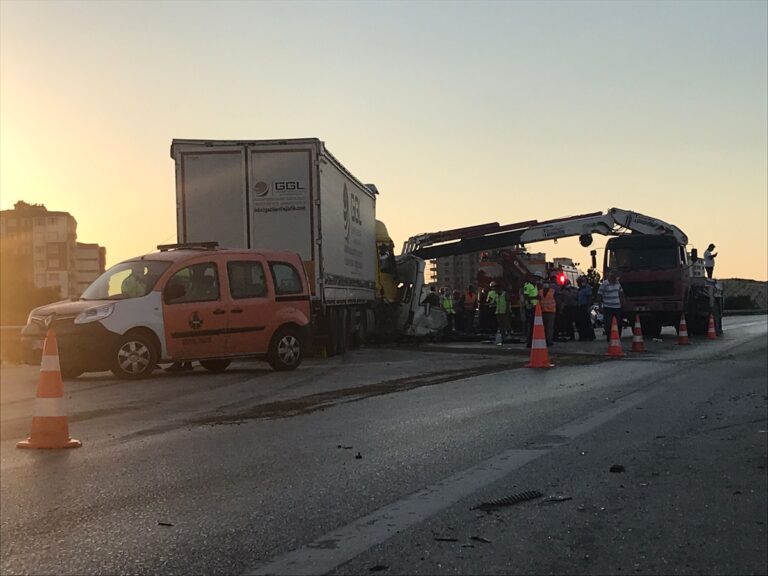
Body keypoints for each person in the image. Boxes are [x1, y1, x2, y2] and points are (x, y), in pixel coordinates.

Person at [597, 270, 625, 341]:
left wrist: (622, 302)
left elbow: (621, 293)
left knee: (618, 323)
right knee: (608, 324)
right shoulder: (605, 284)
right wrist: (600, 306)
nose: (615, 278)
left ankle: (618, 337)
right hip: (608, 307)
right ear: (610, 276)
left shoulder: (618, 283)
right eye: (613, 276)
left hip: (617, 307)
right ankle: (609, 337)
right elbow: (599, 294)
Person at [522, 273, 541, 348]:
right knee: (530, 324)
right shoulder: (528, 285)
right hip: (530, 307)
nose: (537, 280)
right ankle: (529, 341)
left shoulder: (535, 285)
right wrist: (536, 297)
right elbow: (526, 297)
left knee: (534, 325)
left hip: (535, 306)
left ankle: (532, 340)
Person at [576, 277, 596, 341]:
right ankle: (583, 336)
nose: (578, 284)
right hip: (580, 307)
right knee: (581, 322)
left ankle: (590, 336)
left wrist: (588, 307)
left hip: (585, 306)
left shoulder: (587, 287)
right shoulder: (580, 289)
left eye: (579, 282)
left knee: (586, 322)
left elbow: (589, 297)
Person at [540, 275, 557, 347]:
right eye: (545, 283)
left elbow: (557, 300)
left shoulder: (552, 291)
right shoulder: (540, 292)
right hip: (542, 311)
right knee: (544, 327)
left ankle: (549, 340)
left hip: (551, 311)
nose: (545, 284)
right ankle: (545, 340)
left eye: (547, 283)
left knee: (549, 327)